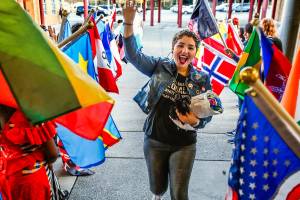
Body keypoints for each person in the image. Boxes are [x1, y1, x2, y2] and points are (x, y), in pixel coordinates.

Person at [122, 2, 212, 200]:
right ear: (173, 48)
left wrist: (195, 122)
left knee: (179, 194)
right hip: (154, 139)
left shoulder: (202, 79)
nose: (185, 50)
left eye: (190, 47)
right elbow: (133, 55)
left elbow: (208, 113)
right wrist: (128, 24)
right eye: (180, 45)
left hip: (185, 144)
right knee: (157, 188)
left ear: (195, 53)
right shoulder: (159, 66)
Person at [0, 105, 58, 200]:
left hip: (8, 179)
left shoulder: (2, 109)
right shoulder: (32, 113)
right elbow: (53, 154)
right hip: (33, 181)